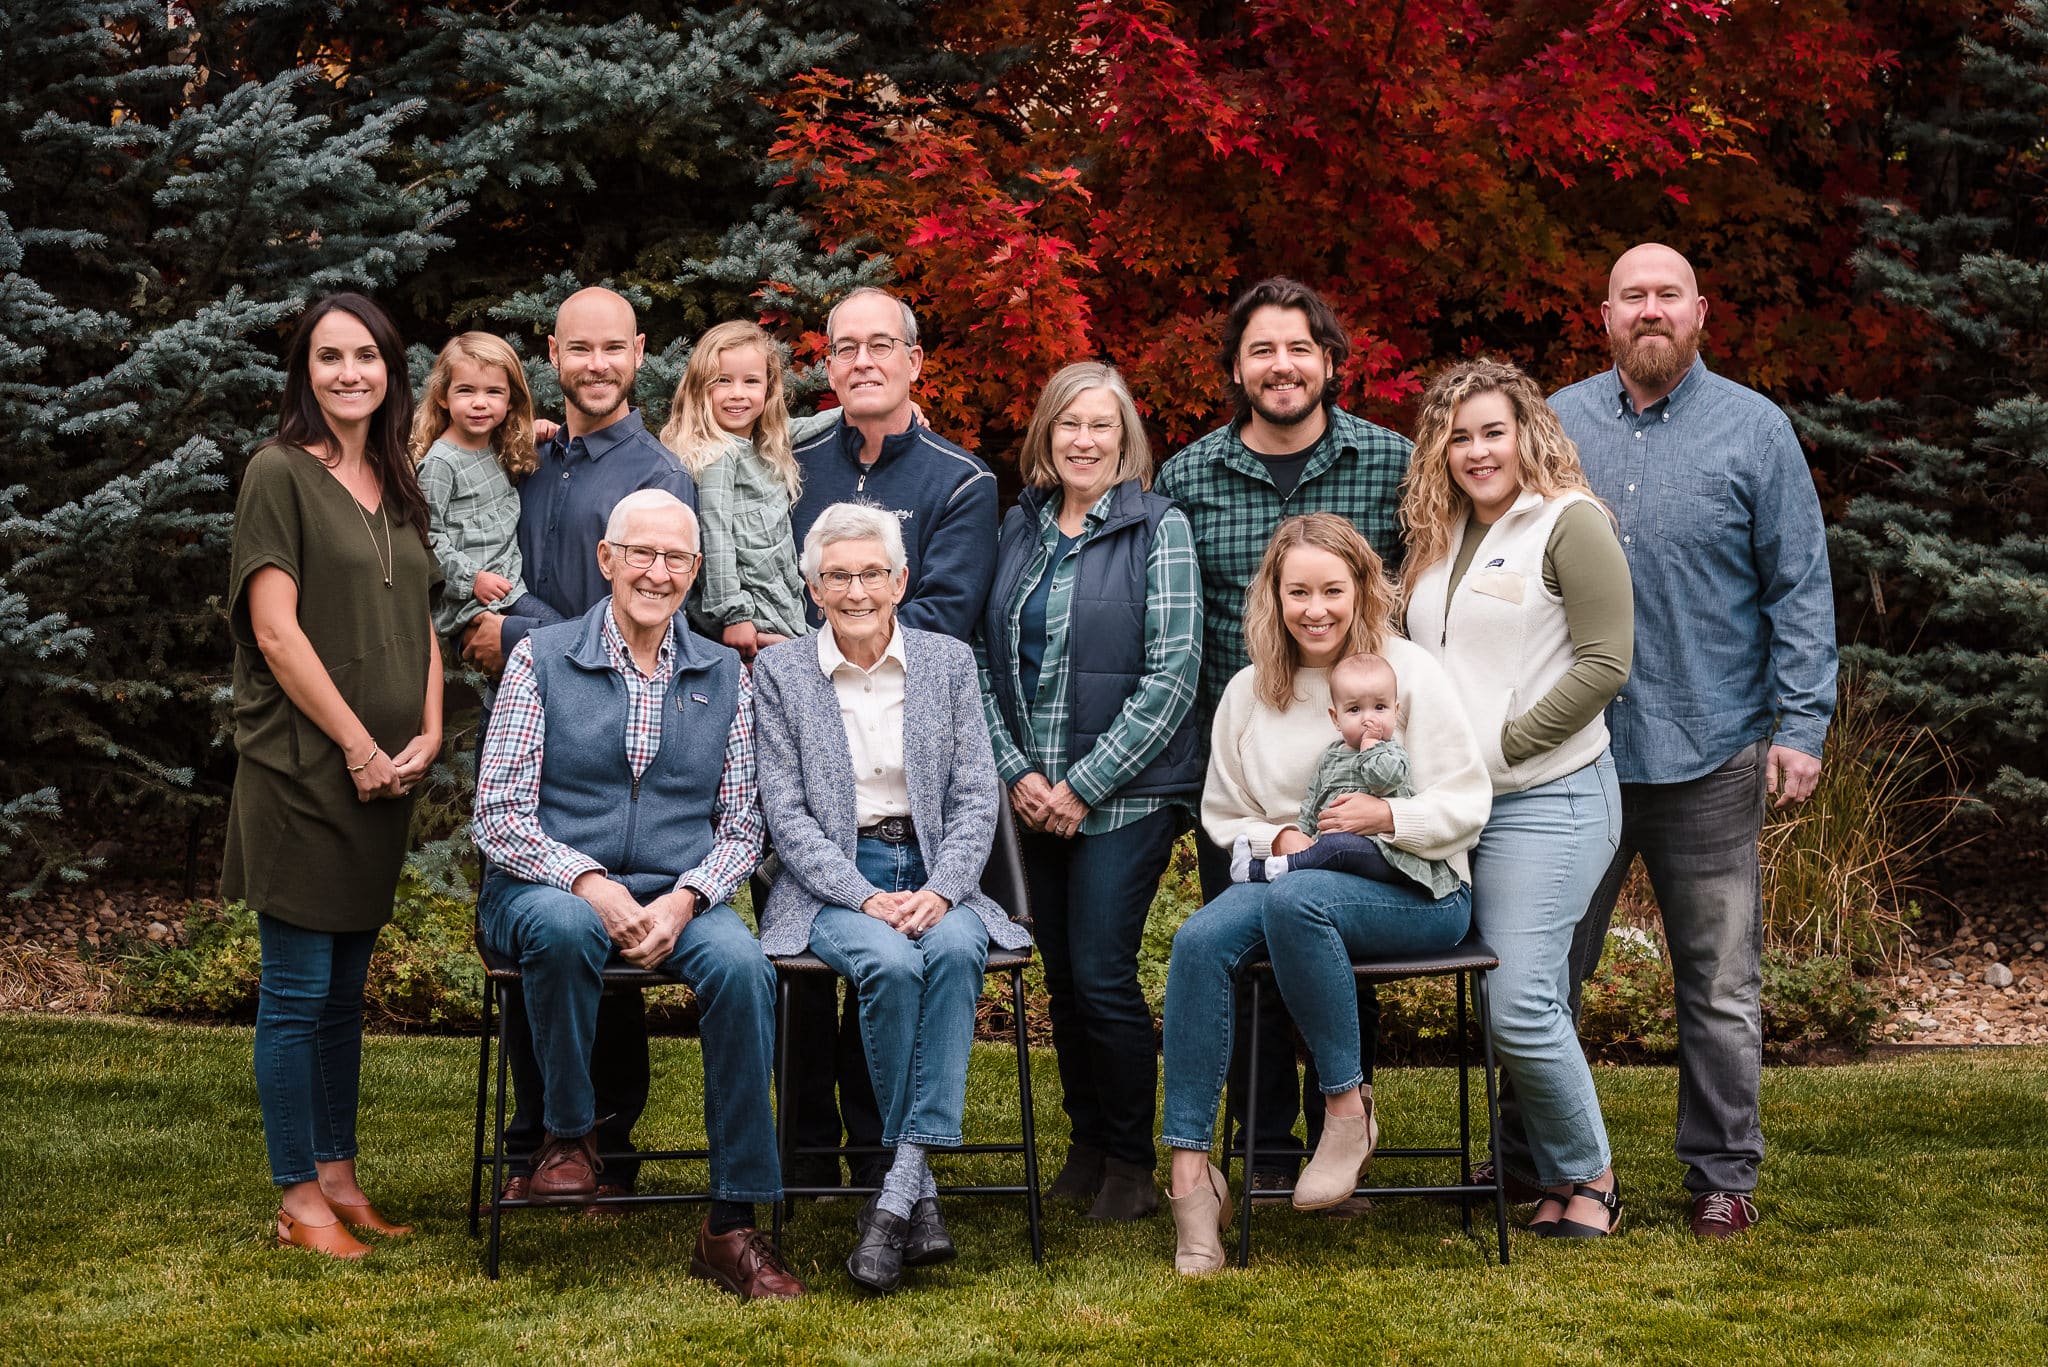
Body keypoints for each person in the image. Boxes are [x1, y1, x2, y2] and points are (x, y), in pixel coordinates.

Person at [1537, 243, 1836, 1240]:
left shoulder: (1754, 431)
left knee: (1715, 981)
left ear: (1699, 311)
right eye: (1633, 296)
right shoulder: (1555, 426)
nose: (1651, 310)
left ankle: (1719, 1174)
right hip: (1574, 756)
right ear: (1604, 315)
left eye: (1668, 295)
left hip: (1711, 746)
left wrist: (1800, 723)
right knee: (1544, 970)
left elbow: (1797, 587)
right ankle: (1545, 1162)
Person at [471, 489, 803, 1301]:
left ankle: (730, 1224)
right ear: (607, 560)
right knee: (561, 926)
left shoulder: (725, 672)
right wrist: (588, 881)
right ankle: (570, 1137)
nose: (658, 572)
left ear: (694, 571)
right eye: (642, 554)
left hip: (677, 891)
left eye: (676, 559)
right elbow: (499, 812)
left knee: (744, 968)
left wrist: (689, 898)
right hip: (546, 881)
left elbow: (743, 824)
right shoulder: (540, 656)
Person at [1160, 513, 1490, 1275]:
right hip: (1300, 876)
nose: (1316, 608)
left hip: (1418, 888)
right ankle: (1190, 1174)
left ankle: (1346, 1111)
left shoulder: (1408, 674)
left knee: (1290, 903)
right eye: (1298, 590)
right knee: (1199, 938)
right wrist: (1279, 839)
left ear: (1362, 589)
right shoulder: (1251, 690)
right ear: (1273, 597)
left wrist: (1389, 815)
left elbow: (1468, 800)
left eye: (1333, 590)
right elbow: (1222, 811)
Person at [1154, 277, 1411, 1194]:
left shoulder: (1391, 461)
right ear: (1235, 368)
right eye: (1261, 350)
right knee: (1248, 951)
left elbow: (1416, 595)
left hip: (1357, 749)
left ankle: (1342, 1135)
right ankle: (1261, 1153)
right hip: (1247, 755)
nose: (1282, 365)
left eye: (1299, 348)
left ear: (1331, 361)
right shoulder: (1186, 475)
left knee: (1333, 942)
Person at [752, 501, 1031, 1294]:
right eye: (836, 575)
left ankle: (899, 1187)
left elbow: (980, 795)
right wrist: (864, 894)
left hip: (942, 870)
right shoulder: (780, 673)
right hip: (837, 881)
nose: (855, 590)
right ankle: (921, 1193)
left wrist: (944, 890)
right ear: (813, 588)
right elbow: (787, 813)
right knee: (890, 965)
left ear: (900, 579)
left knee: (951, 949)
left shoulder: (947, 662)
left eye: (871, 572)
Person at [461, 287, 698, 1209]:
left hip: (612, 722)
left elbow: (639, 611)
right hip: (526, 724)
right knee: (541, 917)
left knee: (612, 920)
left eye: (613, 348)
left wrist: (516, 626)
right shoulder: (531, 457)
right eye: (578, 349)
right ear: (551, 352)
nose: (596, 364)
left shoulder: (655, 476)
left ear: (640, 353)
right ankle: (538, 1141)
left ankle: (603, 1136)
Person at [225, 293, 443, 1259]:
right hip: (307, 771)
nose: (348, 372)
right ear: (304, 371)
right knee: (299, 988)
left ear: (390, 369)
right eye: (328, 356)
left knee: (346, 992)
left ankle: (340, 1174)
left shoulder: (395, 478)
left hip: (386, 779)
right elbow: (276, 630)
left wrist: (429, 728)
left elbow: (425, 618)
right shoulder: (278, 473)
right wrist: (357, 744)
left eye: (366, 355)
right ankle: (294, 1196)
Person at [1402, 358, 1634, 1239]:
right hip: (1465, 810)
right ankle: (1552, 1181)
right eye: (1458, 436)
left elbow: (1605, 662)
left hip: (1555, 795)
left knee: (1522, 1001)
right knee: (1516, 1001)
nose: (1476, 450)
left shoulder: (1569, 522)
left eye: (1493, 430)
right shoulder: (1439, 534)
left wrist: (1499, 746)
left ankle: (1594, 1177)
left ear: (1527, 432)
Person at [783, 287, 1000, 1190]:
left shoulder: (959, 479)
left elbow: (939, 619)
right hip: (809, 724)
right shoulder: (790, 458)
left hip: (909, 756)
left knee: (913, 959)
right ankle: (810, 1159)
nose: (862, 361)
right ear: (826, 364)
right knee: (836, 965)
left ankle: (889, 1165)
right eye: (844, 347)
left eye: (883, 345)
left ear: (916, 361)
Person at [975, 362, 1202, 1221]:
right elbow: (984, 662)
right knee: (1062, 979)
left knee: (1105, 973)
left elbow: (1173, 672)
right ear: (1046, 433)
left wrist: (1081, 784)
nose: (1083, 440)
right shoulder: (1019, 526)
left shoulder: (1160, 530)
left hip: (1127, 799)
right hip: (1031, 796)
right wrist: (1020, 775)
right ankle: (1086, 1143)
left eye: (1101, 426)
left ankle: (1133, 1162)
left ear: (1126, 438)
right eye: (1068, 423)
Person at [659, 320, 838, 660]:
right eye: (722, 381)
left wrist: (867, 413)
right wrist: (734, 615)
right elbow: (716, 536)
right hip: (750, 613)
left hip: (779, 596)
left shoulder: (760, 442)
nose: (737, 393)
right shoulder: (718, 455)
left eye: (751, 381)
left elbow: (805, 425)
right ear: (700, 388)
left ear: (768, 390)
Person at [1230, 652, 1457, 897]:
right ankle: (1259, 870)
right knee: (1329, 846)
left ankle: (1268, 871)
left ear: (1395, 710)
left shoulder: (1391, 751)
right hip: (1333, 851)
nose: (1368, 718)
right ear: (1336, 718)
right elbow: (1313, 802)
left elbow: (1383, 782)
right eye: (1355, 709)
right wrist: (1302, 835)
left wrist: (1370, 746)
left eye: (1380, 707)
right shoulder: (1330, 756)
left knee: (1338, 845)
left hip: (1384, 852)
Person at [411, 331, 564, 663]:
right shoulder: (440, 464)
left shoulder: (495, 447)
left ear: (510, 401)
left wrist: (533, 431)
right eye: (466, 391)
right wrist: (472, 579)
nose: (480, 403)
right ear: (442, 396)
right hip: (479, 601)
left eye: (493, 392)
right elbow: (425, 539)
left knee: (547, 659)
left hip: (510, 587)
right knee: (563, 639)